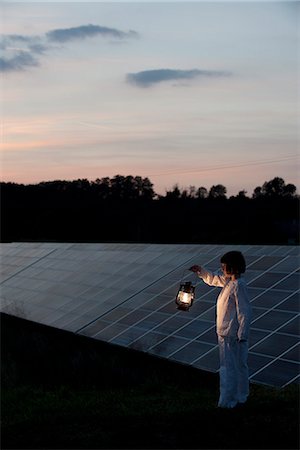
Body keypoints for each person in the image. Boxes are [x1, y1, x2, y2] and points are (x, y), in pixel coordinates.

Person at [189, 251, 252, 409]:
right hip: (226, 333)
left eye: (224, 267)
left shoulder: (238, 285)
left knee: (229, 368)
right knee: (235, 366)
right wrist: (200, 271)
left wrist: (242, 334)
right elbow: (213, 279)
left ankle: (228, 402)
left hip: (232, 335)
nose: (222, 269)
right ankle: (239, 397)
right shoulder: (229, 282)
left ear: (232, 267)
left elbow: (244, 310)